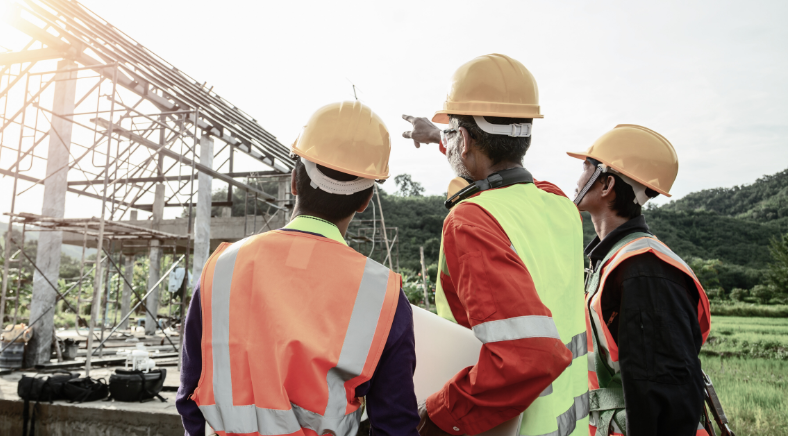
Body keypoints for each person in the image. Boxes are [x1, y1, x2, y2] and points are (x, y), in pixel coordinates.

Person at [177, 101, 419, 436]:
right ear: (365, 201)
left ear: (294, 180)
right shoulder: (384, 299)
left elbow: (190, 395)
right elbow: (396, 427)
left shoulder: (221, 270)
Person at [403, 53, 588, 436]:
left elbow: (529, 357)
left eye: (453, 133)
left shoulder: (473, 221)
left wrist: (437, 417)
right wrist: (441, 136)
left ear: (466, 140)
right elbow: (493, 168)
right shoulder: (559, 205)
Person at [570, 125, 711, 436]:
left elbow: (667, 396)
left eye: (586, 167)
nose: (577, 179)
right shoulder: (613, 260)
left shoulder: (644, 270)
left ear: (606, 183)